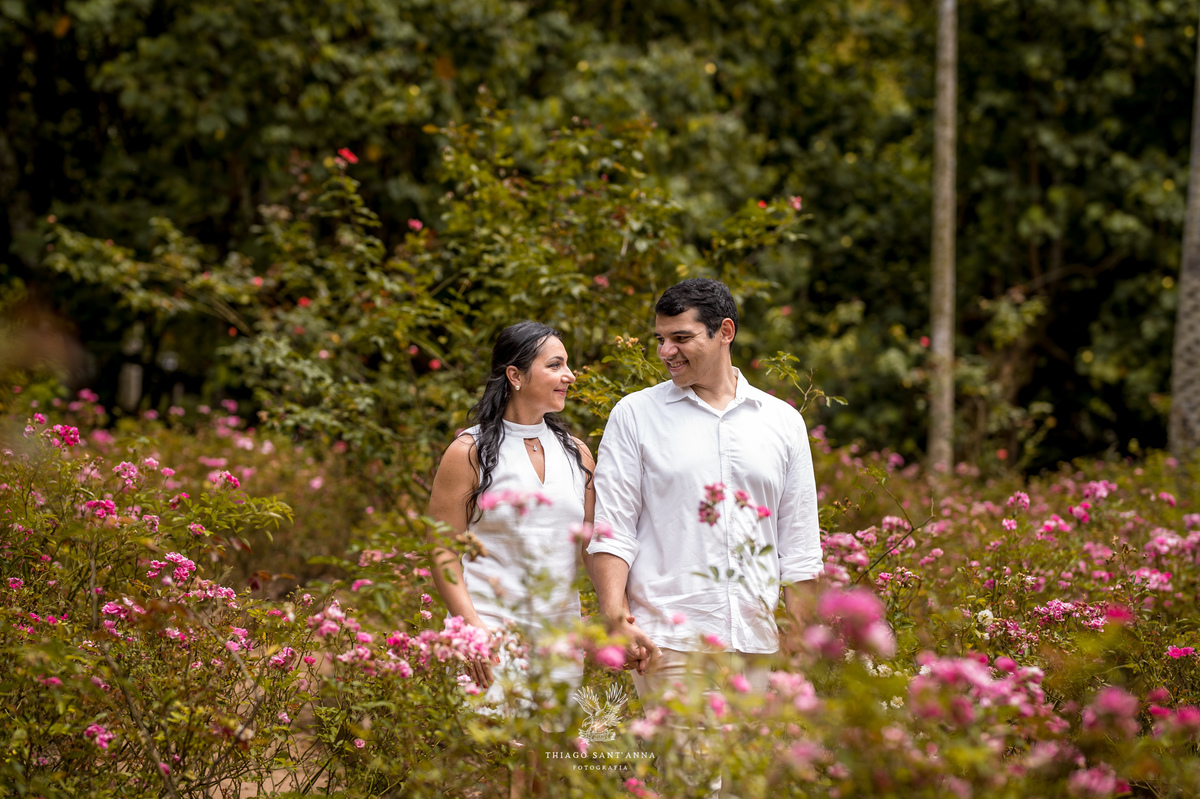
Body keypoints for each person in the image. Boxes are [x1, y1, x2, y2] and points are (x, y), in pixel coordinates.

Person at [587, 278, 824, 702]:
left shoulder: (783, 422)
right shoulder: (636, 415)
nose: (665, 352)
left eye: (681, 338)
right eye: (660, 339)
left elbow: (800, 543)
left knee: (742, 770)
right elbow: (613, 527)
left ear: (725, 333)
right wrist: (615, 617)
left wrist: (803, 638)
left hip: (754, 640)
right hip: (668, 639)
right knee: (695, 769)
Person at [428, 320, 595, 711]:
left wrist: (616, 617)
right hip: (490, 635)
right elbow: (442, 550)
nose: (568, 376)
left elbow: (593, 546)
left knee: (547, 766)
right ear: (515, 375)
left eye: (566, 365)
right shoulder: (468, 452)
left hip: (560, 638)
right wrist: (472, 630)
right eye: (555, 365)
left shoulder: (578, 453)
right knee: (500, 764)